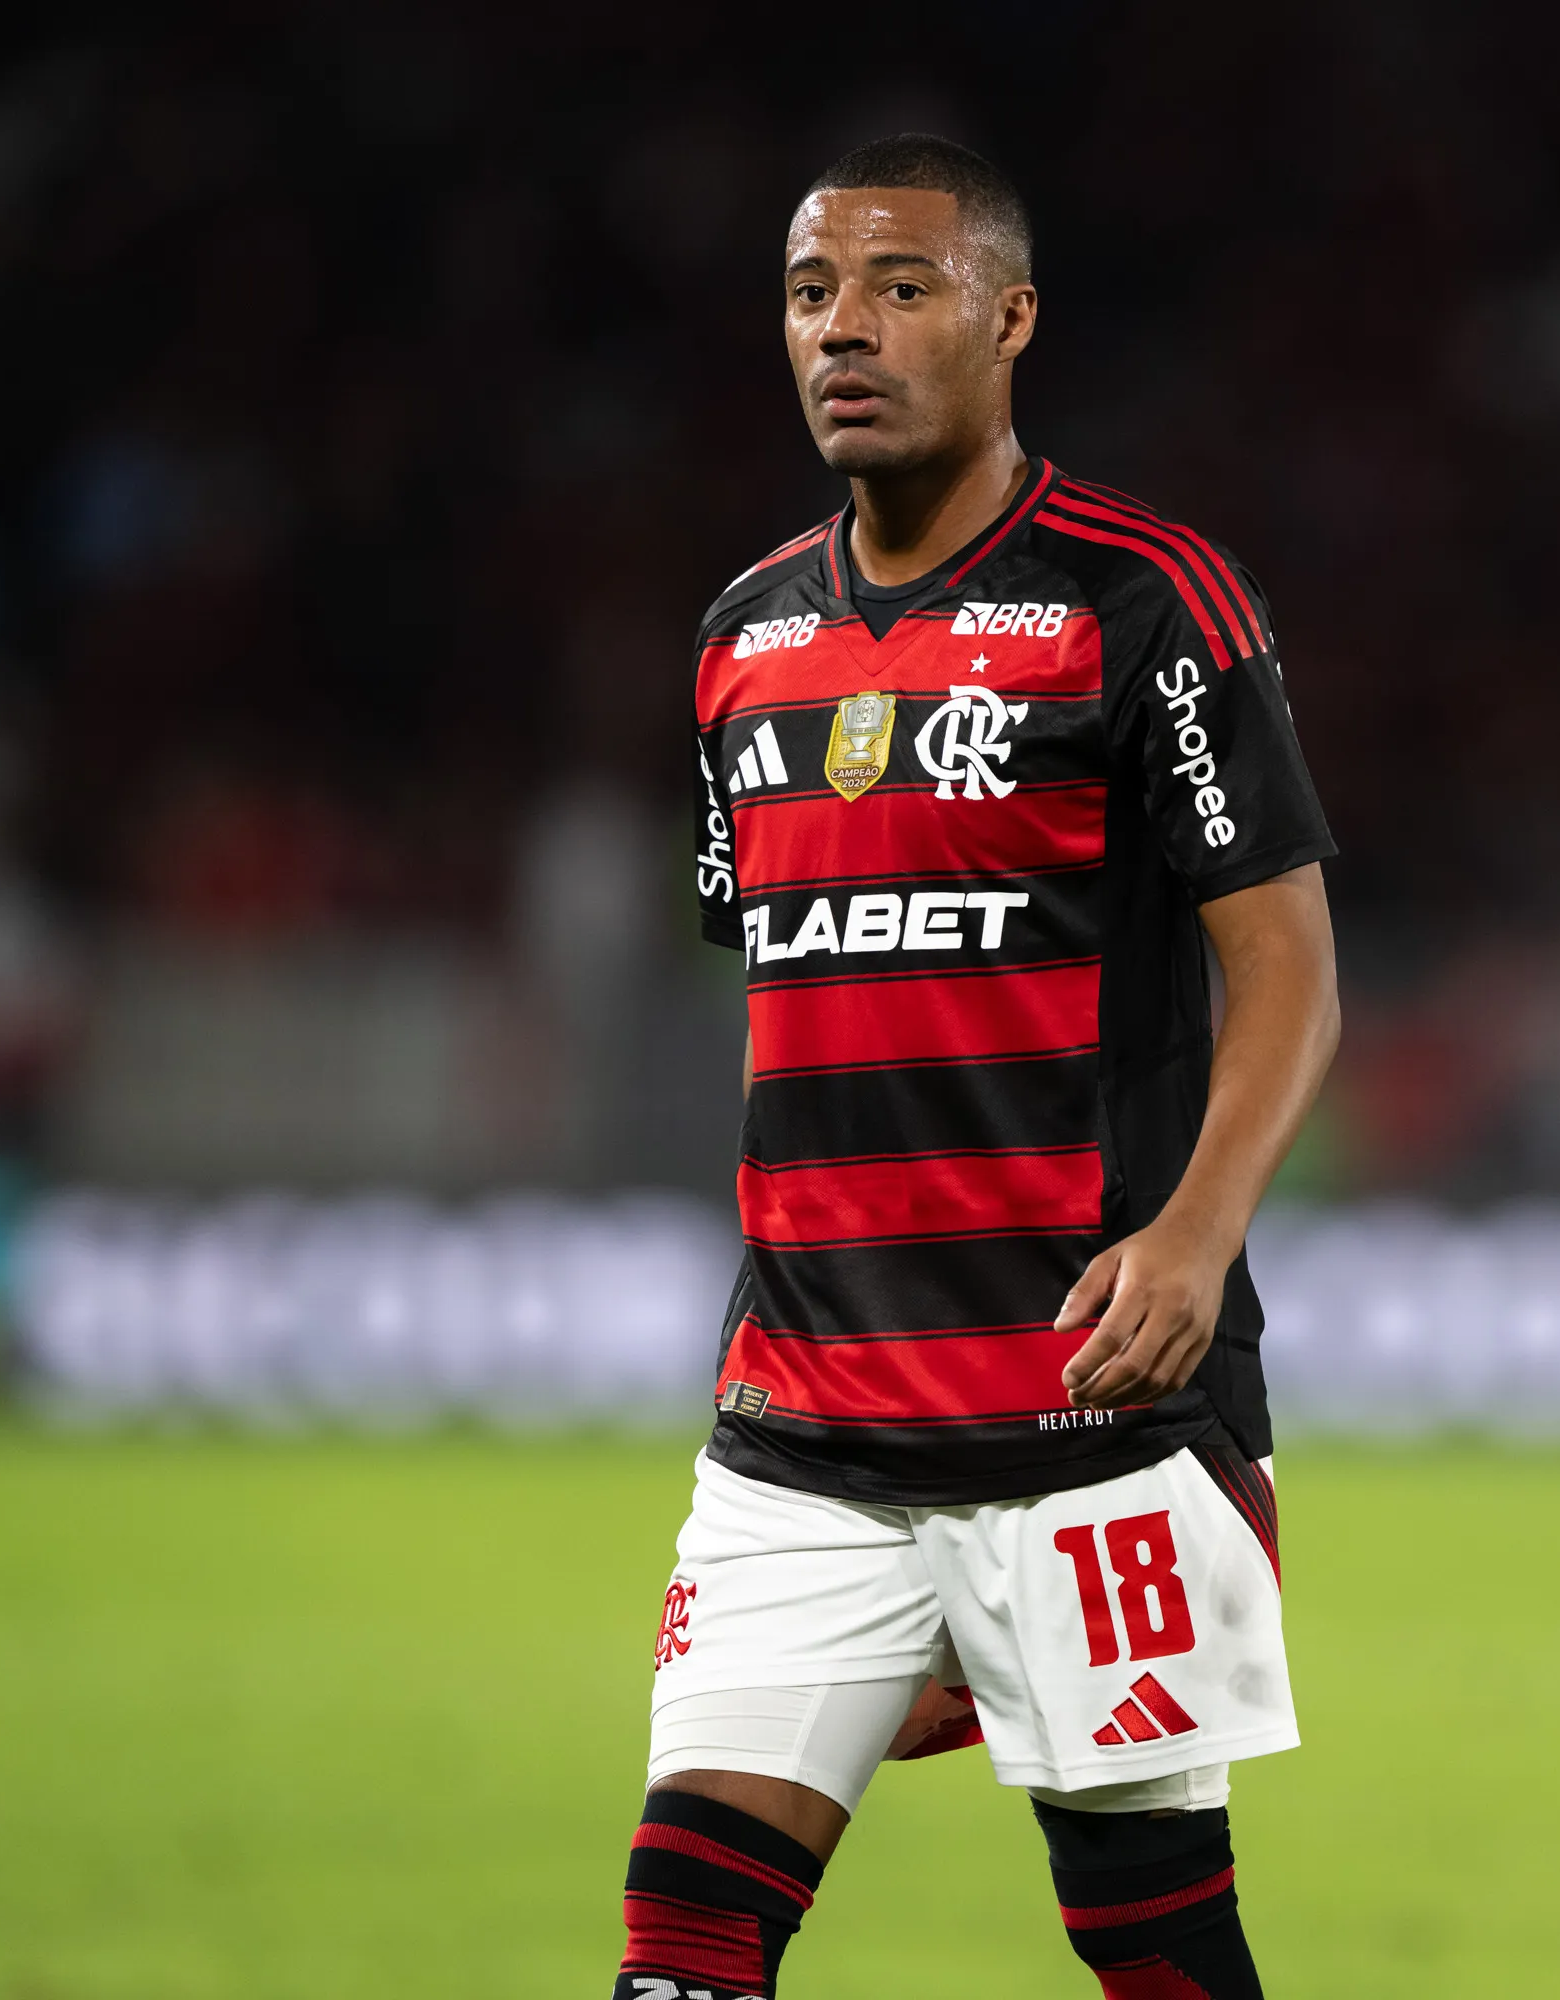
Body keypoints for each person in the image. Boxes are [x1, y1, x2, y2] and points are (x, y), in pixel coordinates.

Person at [614, 134, 1339, 2000]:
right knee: (684, 1941)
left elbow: (1291, 977)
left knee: (1160, 1951)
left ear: (1011, 319)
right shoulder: (741, 640)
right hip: (801, 1431)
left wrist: (1190, 1239)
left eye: (900, 288)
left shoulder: (1146, 598)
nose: (843, 331)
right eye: (809, 294)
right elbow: (801, 990)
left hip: (1084, 1415)